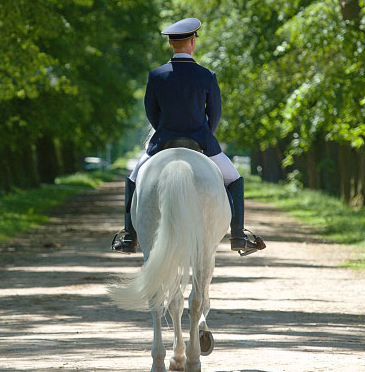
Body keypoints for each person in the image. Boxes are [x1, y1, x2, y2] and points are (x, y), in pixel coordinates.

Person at [112, 17, 266, 256]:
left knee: (134, 178)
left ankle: (129, 237)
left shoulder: (156, 75)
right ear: (192, 42)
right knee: (234, 179)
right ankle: (238, 236)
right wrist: (203, 136)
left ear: (172, 44)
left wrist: (165, 130)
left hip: (163, 142)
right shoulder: (207, 76)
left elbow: (151, 113)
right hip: (201, 142)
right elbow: (214, 115)